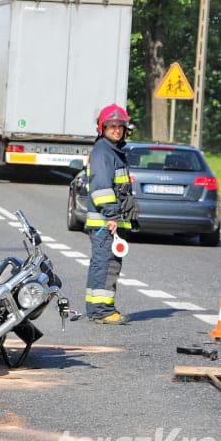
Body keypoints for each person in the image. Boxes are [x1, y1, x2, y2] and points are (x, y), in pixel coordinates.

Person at [83, 103, 139, 325]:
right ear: (102, 128)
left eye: (120, 126)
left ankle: (97, 309)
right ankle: (102, 312)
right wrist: (112, 216)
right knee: (106, 265)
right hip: (106, 223)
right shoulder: (103, 153)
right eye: (111, 126)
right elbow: (101, 189)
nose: (116, 130)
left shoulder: (112, 152)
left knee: (104, 264)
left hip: (109, 222)